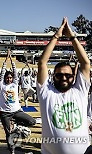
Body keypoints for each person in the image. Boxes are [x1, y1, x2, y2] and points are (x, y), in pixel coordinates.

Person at [37, 17, 91, 154]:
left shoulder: (80, 90)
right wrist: (57, 36)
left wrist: (72, 37)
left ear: (74, 77)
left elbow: (85, 64)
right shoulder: (46, 92)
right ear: (53, 77)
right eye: (59, 75)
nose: (64, 78)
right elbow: (42, 63)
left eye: (68, 75)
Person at [0, 49, 36, 154]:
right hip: (5, 113)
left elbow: (15, 73)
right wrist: (6, 59)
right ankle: (12, 150)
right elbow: (2, 72)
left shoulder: (15, 84)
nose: (9, 79)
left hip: (16, 111)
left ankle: (16, 126)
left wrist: (12, 61)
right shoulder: (2, 85)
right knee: (8, 132)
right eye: (7, 78)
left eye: (10, 78)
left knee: (32, 121)